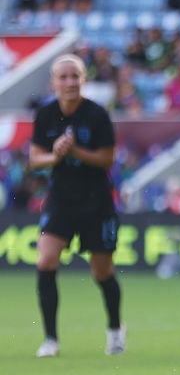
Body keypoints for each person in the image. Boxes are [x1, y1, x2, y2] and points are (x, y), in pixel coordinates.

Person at [30, 54, 124, 357]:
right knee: (45, 262)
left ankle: (114, 329)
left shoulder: (96, 115)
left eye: (76, 76)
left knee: (102, 272)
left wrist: (76, 151)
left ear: (84, 79)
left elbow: (107, 159)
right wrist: (56, 155)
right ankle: (50, 339)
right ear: (54, 82)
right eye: (64, 76)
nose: (70, 82)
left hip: (96, 202)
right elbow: (35, 159)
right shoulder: (45, 115)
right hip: (61, 200)